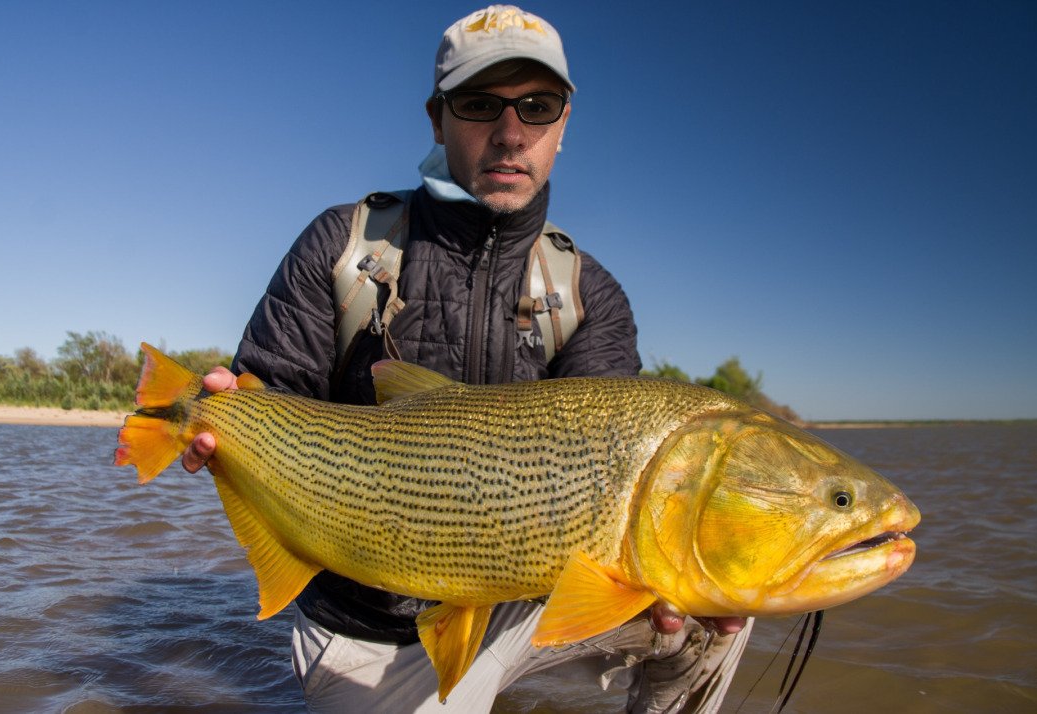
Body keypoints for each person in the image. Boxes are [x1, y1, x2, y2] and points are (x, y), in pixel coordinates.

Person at [183, 5, 750, 712]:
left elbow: (614, 465)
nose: (511, 134)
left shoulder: (585, 294)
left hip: (522, 600)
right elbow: (270, 396)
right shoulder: (345, 246)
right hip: (371, 626)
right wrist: (224, 415)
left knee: (720, 598)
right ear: (437, 118)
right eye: (481, 105)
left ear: (564, 124)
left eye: (536, 107)